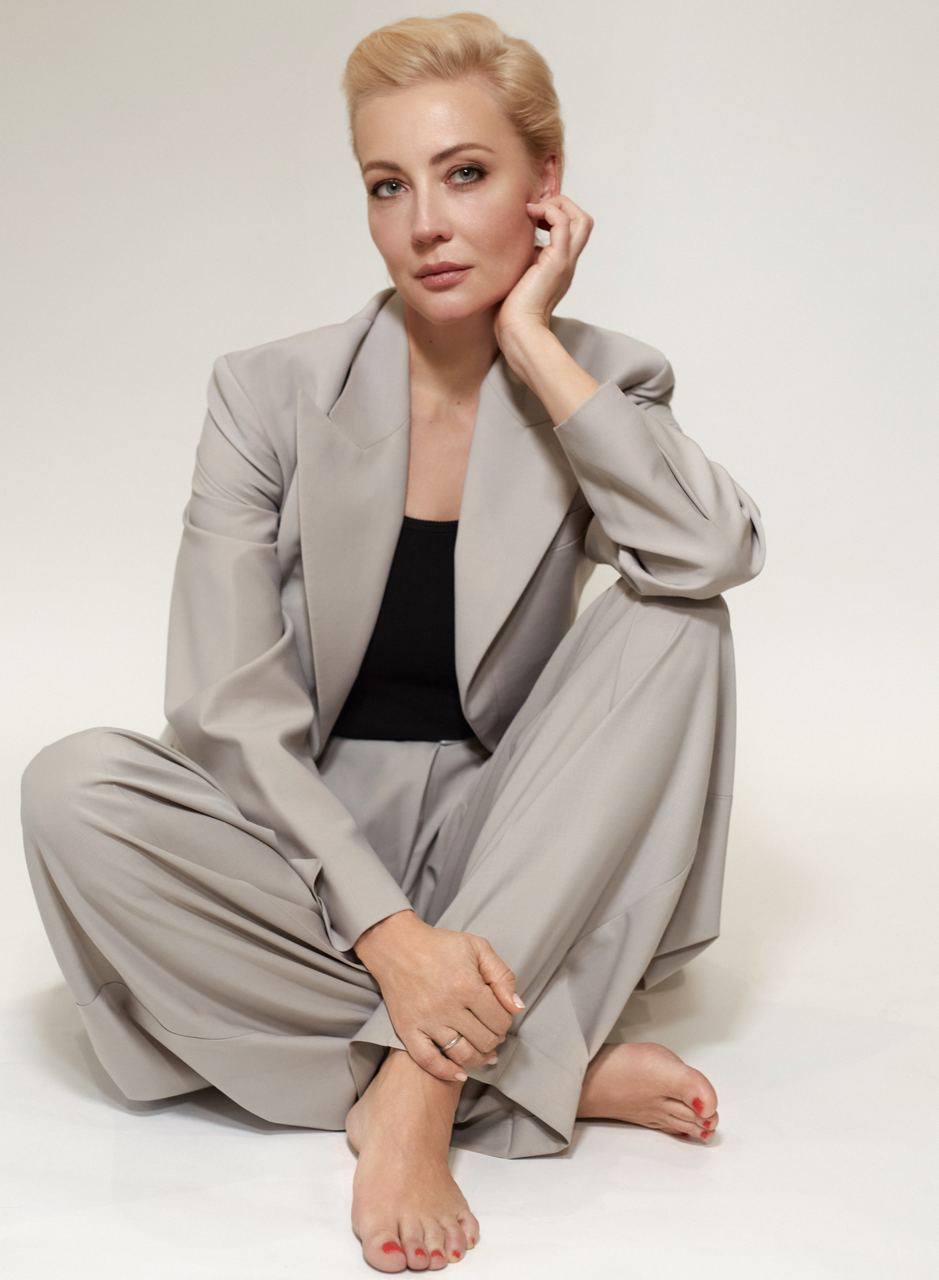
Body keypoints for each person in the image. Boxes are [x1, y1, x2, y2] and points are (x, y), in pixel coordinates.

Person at [19, 11, 766, 1274]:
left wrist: (533, 343)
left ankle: (417, 1093)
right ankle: (536, 1062)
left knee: (678, 623)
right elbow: (223, 708)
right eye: (387, 185)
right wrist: (393, 938)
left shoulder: (603, 378)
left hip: (510, 846)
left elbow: (709, 552)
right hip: (303, 849)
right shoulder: (266, 391)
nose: (425, 222)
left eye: (466, 173)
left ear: (545, 185)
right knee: (69, 785)